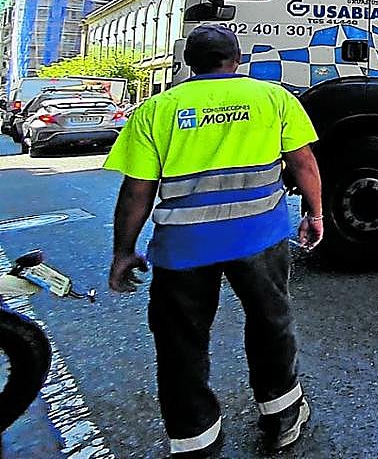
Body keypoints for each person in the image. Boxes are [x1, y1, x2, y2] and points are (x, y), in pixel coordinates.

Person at [106, 24, 324, 457]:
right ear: (236, 59)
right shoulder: (273, 98)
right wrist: (315, 214)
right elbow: (303, 162)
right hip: (259, 236)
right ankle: (282, 416)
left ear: (189, 62)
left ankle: (194, 439)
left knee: (181, 343)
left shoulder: (158, 108)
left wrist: (123, 251)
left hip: (184, 247)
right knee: (270, 323)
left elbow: (137, 190)